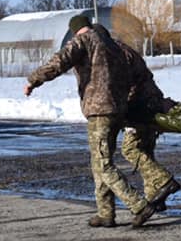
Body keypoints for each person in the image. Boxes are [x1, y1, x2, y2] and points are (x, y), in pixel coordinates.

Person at [24, 14, 157, 228]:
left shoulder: (85, 41)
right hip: (117, 110)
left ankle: (139, 205)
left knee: (104, 165)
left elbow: (60, 61)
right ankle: (105, 213)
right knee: (99, 162)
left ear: (77, 30)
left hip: (99, 110)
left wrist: (33, 80)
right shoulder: (114, 47)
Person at [113, 35, 181, 211]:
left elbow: (127, 85)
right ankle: (154, 198)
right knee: (146, 151)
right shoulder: (125, 50)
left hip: (141, 106)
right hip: (152, 101)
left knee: (131, 149)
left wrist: (124, 108)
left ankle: (164, 181)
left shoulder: (117, 54)